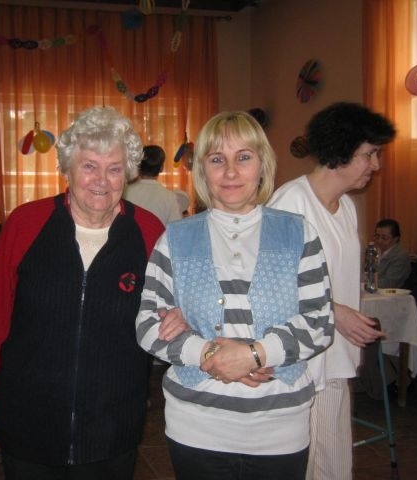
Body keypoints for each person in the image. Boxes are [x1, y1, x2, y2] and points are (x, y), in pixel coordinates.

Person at [0, 106, 165, 479]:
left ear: (128, 174)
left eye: (114, 168)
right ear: (67, 168)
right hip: (28, 420)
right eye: (89, 166)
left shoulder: (149, 232)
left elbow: (167, 311)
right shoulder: (26, 224)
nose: (101, 180)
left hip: (112, 424)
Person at [136, 111, 335, 480]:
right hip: (196, 426)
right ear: (202, 170)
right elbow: (148, 325)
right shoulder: (175, 239)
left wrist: (252, 355)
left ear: (262, 164)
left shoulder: (298, 233)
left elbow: (320, 322)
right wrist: (208, 353)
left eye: (243, 157)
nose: (230, 172)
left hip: (280, 429)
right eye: (217, 159)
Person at [268, 102, 396, 480]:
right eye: (369, 154)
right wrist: (335, 312)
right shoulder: (290, 203)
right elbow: (270, 285)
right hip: (301, 361)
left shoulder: (348, 208)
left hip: (335, 356)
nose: (376, 165)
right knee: (305, 462)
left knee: (332, 461)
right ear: (341, 151)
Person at [123, 145, 182, 225]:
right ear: (161, 168)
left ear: (138, 166)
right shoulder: (169, 197)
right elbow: (176, 227)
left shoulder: (125, 193)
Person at [374, 218, 411, 288]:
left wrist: (365, 281)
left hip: (391, 293)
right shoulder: (375, 251)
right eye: (377, 236)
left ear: (395, 239)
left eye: (384, 238)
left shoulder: (400, 256)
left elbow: (388, 284)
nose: (379, 241)